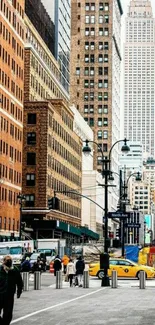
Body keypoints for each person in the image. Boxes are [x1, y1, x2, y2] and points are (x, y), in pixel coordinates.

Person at [0, 255, 23, 325]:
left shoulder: (15, 270)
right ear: (3, 262)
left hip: (9, 295)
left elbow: (19, 282)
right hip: (0, 294)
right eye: (6, 261)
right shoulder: (0, 270)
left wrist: (19, 291)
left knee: (8, 314)